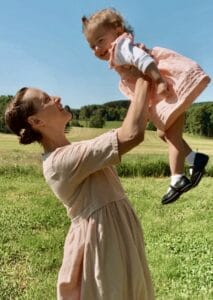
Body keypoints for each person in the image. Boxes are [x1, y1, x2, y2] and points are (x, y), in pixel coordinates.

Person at [5, 77, 155, 300]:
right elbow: (132, 134)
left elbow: (133, 126)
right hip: (103, 243)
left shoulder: (75, 150)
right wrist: (143, 77)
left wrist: (146, 89)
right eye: (46, 99)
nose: (57, 99)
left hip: (115, 233)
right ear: (36, 121)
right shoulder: (59, 162)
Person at [81, 8, 211, 205]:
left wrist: (158, 80)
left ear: (117, 30)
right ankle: (194, 159)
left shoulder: (120, 47)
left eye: (100, 41)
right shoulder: (119, 48)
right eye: (92, 46)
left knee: (171, 134)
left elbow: (143, 60)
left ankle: (177, 178)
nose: (97, 49)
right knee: (163, 133)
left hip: (166, 87)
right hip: (164, 89)